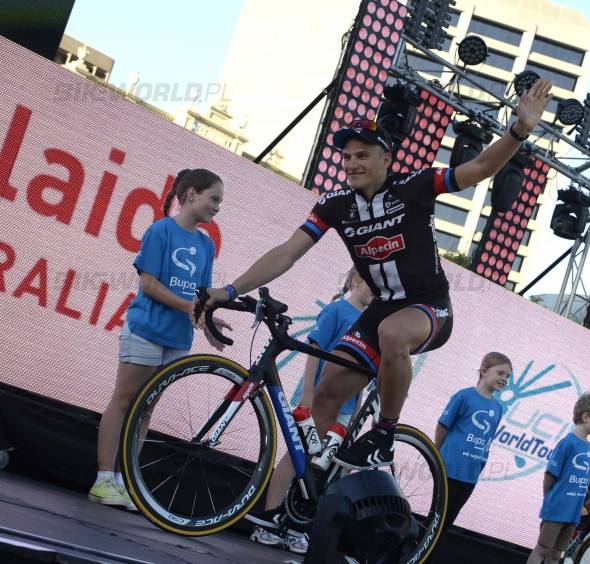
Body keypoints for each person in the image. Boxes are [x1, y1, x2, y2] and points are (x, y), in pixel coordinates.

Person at [201, 78, 553, 470]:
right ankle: (289, 506)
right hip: (383, 310)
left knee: (392, 333)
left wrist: (519, 131)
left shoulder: (416, 186)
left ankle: (384, 434)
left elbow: (479, 167)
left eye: (362, 155)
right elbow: (286, 253)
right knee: (326, 394)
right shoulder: (334, 205)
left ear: (386, 159)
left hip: (429, 307)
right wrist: (230, 289)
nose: (351, 163)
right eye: (346, 156)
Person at [88, 169, 230, 509]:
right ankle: (103, 478)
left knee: (146, 408)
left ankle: (124, 482)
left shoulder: (206, 244)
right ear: (191, 194)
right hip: (147, 329)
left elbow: (201, 296)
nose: (217, 208)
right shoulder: (160, 231)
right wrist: (189, 308)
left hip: (177, 339)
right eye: (214, 199)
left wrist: (209, 325)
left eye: (220, 203)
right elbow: (149, 284)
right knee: (124, 399)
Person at [250, 267, 373, 553]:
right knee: (297, 457)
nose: (377, 293)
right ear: (356, 281)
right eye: (372, 286)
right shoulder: (336, 311)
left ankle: (295, 527)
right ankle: (267, 521)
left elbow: (362, 373)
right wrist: (307, 394)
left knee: (322, 470)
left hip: (345, 409)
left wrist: (354, 413)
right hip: (320, 401)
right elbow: (313, 353)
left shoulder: (369, 323)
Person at [526, 394, 590, 564]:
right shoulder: (567, 443)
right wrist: (550, 499)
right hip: (557, 509)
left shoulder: (588, 448)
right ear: (586, 417)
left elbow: (582, 480)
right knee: (542, 549)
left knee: (556, 555)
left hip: (573, 513)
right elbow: (550, 475)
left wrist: (587, 498)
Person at [434, 352, 510, 528]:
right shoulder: (464, 396)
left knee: (447, 523)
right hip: (449, 469)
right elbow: (442, 427)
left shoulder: (498, 408)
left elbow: (487, 440)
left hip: (470, 475)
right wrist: (437, 455)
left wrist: (480, 465)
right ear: (484, 371)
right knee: (436, 521)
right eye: (500, 373)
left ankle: (431, 555)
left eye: (508, 376)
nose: (505, 379)